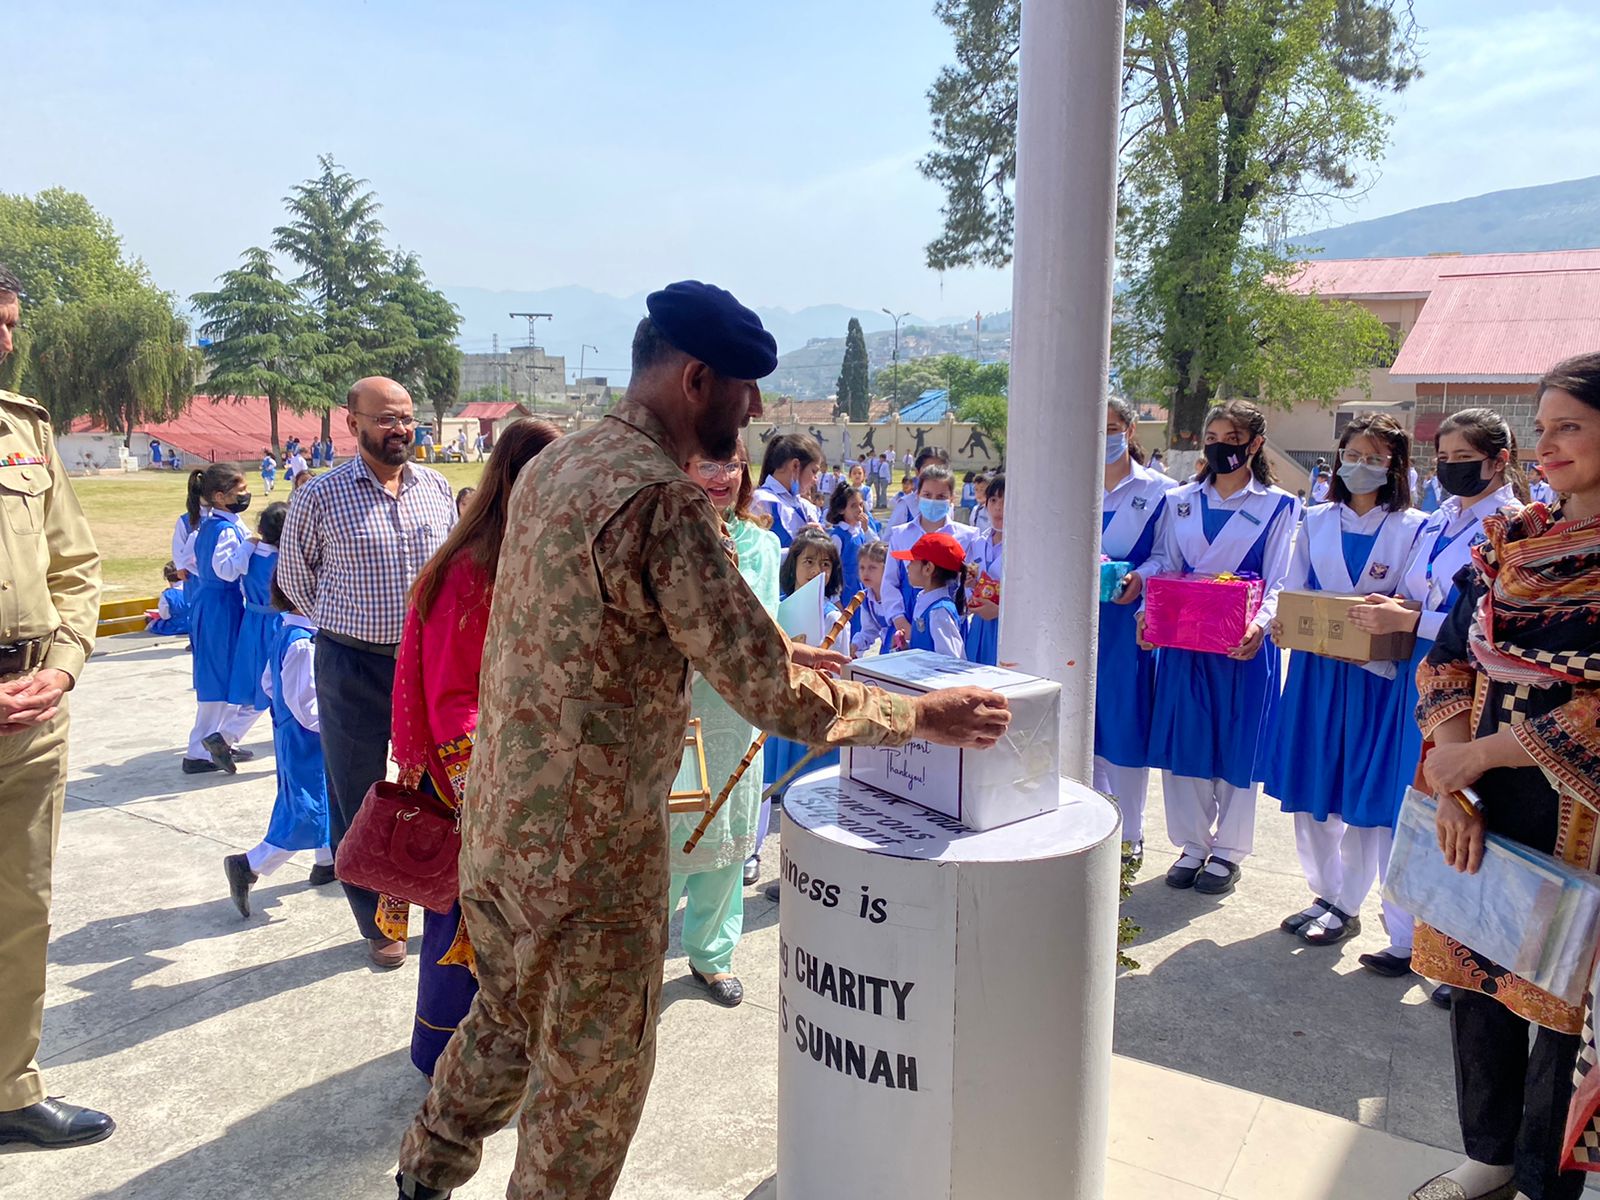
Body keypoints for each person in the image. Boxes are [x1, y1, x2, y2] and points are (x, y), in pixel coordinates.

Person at [393, 281, 1010, 1200]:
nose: (754, 409)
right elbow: (775, 697)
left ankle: (424, 1170)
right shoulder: (663, 500)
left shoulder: (560, 465)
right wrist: (922, 716)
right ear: (695, 380)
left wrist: (774, 647)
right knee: (589, 1096)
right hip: (590, 864)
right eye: (745, 388)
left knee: (507, 1016)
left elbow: (611, 624)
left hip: (502, 831)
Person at [1405, 353, 1600, 1200]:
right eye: (1543, 426)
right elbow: (1448, 659)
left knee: (1563, 998)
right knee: (1477, 973)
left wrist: (1478, 759)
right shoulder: (1509, 543)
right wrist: (1453, 784)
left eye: (1571, 427)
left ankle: (1544, 1179)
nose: (1547, 445)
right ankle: (1487, 1156)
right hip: (1480, 801)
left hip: (1579, 811)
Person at [388, 419, 561, 1076]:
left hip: (527, 771)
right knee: (467, 918)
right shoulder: (472, 570)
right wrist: (483, 791)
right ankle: (447, 1058)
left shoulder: (536, 550)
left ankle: (509, 1052)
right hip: (475, 776)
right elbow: (452, 697)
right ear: (519, 480)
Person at [278, 377, 456, 970]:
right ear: (352, 424)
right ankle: (378, 922)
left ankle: (439, 893)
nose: (399, 429)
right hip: (351, 662)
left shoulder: (436, 488)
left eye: (406, 418)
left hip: (427, 664)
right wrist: (343, 621)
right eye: (385, 419)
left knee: (440, 783)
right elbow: (295, 578)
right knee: (356, 790)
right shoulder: (320, 496)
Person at [1347, 409, 1524, 980]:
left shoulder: (1514, 526)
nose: (1450, 468)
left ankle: (1457, 953)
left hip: (1471, 691)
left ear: (1499, 461)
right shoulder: (1436, 520)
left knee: (1461, 809)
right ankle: (1405, 937)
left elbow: (1488, 620)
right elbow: (1413, 590)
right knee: (1412, 806)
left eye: (1463, 459)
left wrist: (1411, 619)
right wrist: (1392, 609)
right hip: (1416, 682)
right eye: (1443, 458)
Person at [0, 263, 113, 1148]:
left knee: (20, 910)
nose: (6, 341)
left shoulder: (24, 428)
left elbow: (75, 564)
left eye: (10, 323)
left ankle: (8, 1087)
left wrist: (65, 665)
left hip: (30, 709)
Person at [1262, 415, 1426, 947]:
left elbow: (1413, 600)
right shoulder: (1314, 519)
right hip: (1317, 670)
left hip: (1375, 677)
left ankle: (1350, 902)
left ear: (1395, 465)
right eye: (1351, 455)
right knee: (1315, 780)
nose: (1360, 466)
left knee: (1360, 789)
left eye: (1374, 457)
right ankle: (1324, 892)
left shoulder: (1414, 527)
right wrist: (1282, 622)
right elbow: (1293, 588)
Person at [1145, 400, 1298, 896]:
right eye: (1212, 437)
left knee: (1237, 743)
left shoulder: (1278, 506)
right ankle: (1192, 844)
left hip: (1241, 644)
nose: (1219, 447)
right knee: (1185, 742)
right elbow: (1166, 562)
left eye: (1232, 439)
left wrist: (1260, 625)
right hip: (1185, 640)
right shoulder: (1180, 500)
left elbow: (1281, 578)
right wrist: (1149, 611)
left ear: (1255, 444)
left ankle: (1229, 851)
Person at [667, 435, 780, 1007]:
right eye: (707, 464)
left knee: (728, 839)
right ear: (682, 468)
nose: (721, 477)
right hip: (676, 713)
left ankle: (712, 955)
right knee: (668, 840)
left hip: (737, 717)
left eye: (731, 465)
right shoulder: (666, 538)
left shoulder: (763, 544)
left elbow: (766, 625)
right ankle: (636, 959)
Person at [222, 579, 336, 917]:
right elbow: (307, 707)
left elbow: (269, 683)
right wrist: (335, 724)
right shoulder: (303, 644)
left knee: (320, 801)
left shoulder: (286, 632)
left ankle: (327, 862)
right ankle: (249, 864)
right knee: (306, 809)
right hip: (308, 738)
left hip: (291, 734)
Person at [1095, 399, 1175, 865]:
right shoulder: (1071, 484)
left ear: (1129, 429)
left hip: (1129, 626)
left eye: (1111, 427)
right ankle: (1092, 826)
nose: (1102, 436)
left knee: (1124, 725)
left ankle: (1130, 835)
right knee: (1083, 726)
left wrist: (1141, 578)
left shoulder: (1161, 491)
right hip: (1077, 622)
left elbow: (1168, 556)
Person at [184, 465, 257, 775]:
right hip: (220, 608)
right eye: (240, 492)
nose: (245, 496)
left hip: (215, 603)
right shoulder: (225, 530)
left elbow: (193, 561)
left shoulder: (212, 524)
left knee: (226, 676)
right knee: (218, 678)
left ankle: (220, 740)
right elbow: (225, 570)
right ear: (219, 496)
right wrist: (249, 547)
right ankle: (198, 750)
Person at [208, 500, 290, 773]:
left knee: (260, 687)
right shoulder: (284, 560)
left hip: (252, 622)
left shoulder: (250, 555)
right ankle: (227, 737)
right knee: (278, 687)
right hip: (277, 623)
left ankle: (225, 737)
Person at [880, 463, 974, 647]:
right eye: (927, 495)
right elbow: (889, 582)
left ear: (952, 498)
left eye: (941, 497)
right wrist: (900, 620)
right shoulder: (901, 534)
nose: (933, 501)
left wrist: (959, 611)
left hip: (949, 618)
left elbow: (970, 581)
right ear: (917, 495)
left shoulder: (967, 536)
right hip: (905, 620)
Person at [893, 531, 967, 658]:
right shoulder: (926, 602)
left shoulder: (939, 612)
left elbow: (950, 660)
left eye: (912, 561)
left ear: (928, 568)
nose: (907, 567)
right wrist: (907, 647)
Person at [750, 433, 822, 548]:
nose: (815, 480)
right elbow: (754, 553)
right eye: (813, 471)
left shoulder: (804, 506)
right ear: (795, 466)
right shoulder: (761, 502)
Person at [964, 473, 1004, 665]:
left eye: (1005, 501)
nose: (998, 507)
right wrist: (970, 585)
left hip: (1007, 627)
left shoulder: (1025, 547)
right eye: (993, 500)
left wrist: (999, 611)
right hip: (979, 624)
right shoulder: (978, 543)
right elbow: (972, 581)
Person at [826, 480, 872, 615]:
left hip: (863, 590)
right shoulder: (838, 536)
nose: (859, 510)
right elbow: (832, 569)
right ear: (841, 510)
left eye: (861, 505)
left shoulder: (861, 531)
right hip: (846, 593)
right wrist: (835, 599)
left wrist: (867, 529)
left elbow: (876, 550)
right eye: (853, 506)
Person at [889, 447, 951, 526]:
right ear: (917, 472)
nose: (934, 474)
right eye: (928, 470)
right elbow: (891, 533)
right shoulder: (906, 505)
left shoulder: (948, 505)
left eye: (939, 470)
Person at [851, 541, 893, 656]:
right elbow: (869, 631)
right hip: (886, 651)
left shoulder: (896, 596)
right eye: (862, 568)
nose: (865, 573)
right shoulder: (866, 599)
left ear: (886, 569)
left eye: (872, 568)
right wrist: (855, 645)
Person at [147, 561, 191, 637]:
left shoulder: (167, 595)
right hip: (193, 625)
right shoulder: (193, 590)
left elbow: (165, 616)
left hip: (175, 627)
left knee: (150, 621)